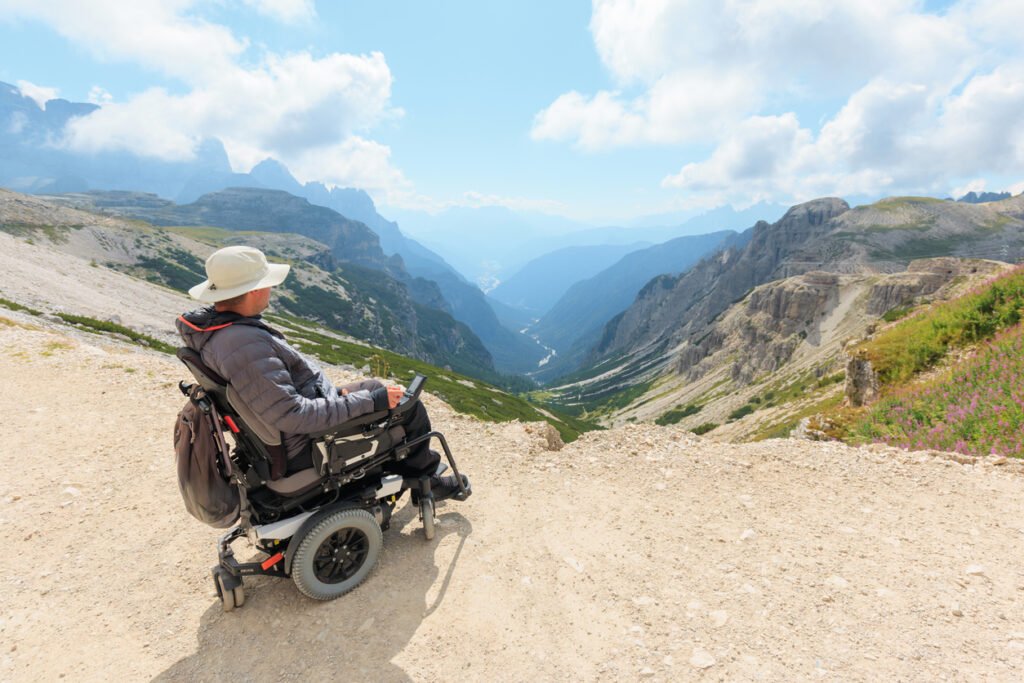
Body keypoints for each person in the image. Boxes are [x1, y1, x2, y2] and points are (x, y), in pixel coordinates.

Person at [176, 245, 466, 499]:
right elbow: (294, 416)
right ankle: (427, 481)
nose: (271, 289)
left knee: (374, 385)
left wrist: (342, 396)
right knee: (408, 407)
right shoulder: (244, 346)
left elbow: (275, 397)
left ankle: (397, 466)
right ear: (253, 290)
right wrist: (372, 403)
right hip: (305, 445)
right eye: (267, 283)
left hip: (290, 427)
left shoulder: (220, 332)